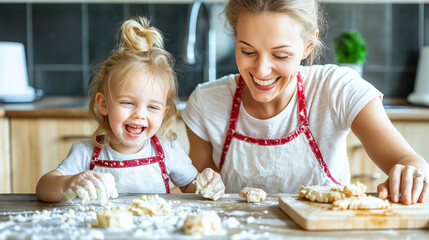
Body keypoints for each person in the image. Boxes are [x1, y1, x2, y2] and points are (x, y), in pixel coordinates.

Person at [182, 0, 429, 205]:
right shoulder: (206, 103)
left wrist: (412, 174)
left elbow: (410, 162)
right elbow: (200, 194)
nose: (261, 69)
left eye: (281, 55)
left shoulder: (337, 88)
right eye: (247, 51)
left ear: (308, 45)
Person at [36, 17, 225, 202]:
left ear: (163, 113)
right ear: (103, 104)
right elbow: (44, 186)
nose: (140, 115)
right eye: (127, 103)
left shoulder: (168, 152)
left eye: (152, 107)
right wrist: (68, 183)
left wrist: (209, 184)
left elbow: (193, 187)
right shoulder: (86, 153)